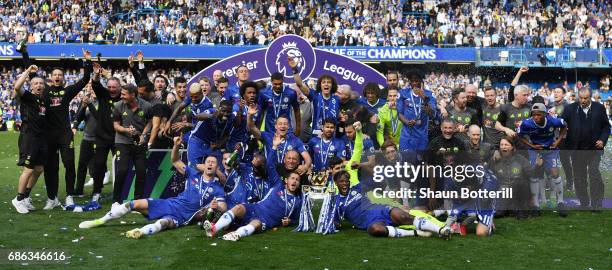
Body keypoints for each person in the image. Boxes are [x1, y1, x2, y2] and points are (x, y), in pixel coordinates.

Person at [79, 137, 227, 238]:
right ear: (204, 164)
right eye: (208, 161)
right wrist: (176, 145)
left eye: (213, 162)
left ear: (217, 167)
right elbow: (175, 160)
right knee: (133, 204)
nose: (210, 164)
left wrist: (215, 207)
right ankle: (99, 221)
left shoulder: (218, 189)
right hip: (170, 203)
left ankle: (140, 232)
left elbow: (223, 207)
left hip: (183, 216)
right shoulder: (193, 173)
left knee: (163, 223)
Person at [329, 170, 451, 238]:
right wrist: (335, 223)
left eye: (346, 181)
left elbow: (379, 181)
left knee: (404, 216)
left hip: (381, 210)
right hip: (369, 222)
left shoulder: (358, 188)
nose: (344, 184)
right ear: (336, 183)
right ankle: (415, 233)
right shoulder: (335, 202)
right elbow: (334, 222)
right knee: (375, 230)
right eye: (341, 182)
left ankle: (441, 230)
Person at [43, 49, 93, 209]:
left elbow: (85, 79)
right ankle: (52, 198)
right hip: (49, 135)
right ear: (51, 78)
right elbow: (31, 78)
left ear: (63, 78)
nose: (57, 76)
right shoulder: (44, 91)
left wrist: (87, 62)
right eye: (55, 74)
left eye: (60, 75)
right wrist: (24, 54)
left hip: (65, 134)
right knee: (50, 167)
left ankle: (70, 196)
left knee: (69, 164)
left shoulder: (67, 91)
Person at [202, 171, 302, 241]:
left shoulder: (297, 201)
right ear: (286, 180)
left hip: (266, 220)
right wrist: (274, 147)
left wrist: (290, 222)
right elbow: (271, 163)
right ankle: (213, 229)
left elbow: (296, 220)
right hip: (256, 208)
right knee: (239, 208)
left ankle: (235, 234)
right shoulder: (277, 185)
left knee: (256, 223)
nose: (294, 181)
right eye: (292, 178)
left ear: (299, 184)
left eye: (297, 180)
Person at [560, 89, 610, 211]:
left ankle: (597, 204)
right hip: (576, 150)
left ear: (590, 97)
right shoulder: (569, 108)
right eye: (581, 98)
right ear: (578, 97)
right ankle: (584, 202)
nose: (583, 101)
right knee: (579, 177)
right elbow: (561, 124)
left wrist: (602, 140)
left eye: (586, 98)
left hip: (594, 149)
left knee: (594, 174)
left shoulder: (599, 108)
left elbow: (606, 126)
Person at [518, 103, 568, 217]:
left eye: (539, 115)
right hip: (535, 150)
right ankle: (536, 205)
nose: (536, 117)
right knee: (533, 174)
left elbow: (565, 125)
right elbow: (519, 135)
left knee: (555, 173)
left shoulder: (553, 121)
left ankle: (560, 202)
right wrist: (531, 145)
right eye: (534, 114)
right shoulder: (526, 123)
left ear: (545, 114)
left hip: (550, 150)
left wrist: (558, 141)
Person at [11, 65, 47, 214]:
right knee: (28, 169)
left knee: (39, 169)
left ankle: (25, 196)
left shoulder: (43, 101)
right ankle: (18, 199)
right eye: (36, 83)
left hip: (40, 138)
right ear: (31, 86)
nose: (39, 85)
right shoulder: (27, 96)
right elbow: (17, 86)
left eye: (41, 83)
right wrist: (27, 72)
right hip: (29, 137)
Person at [112, 84, 152, 203]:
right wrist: (126, 130)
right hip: (122, 142)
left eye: (124, 94)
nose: (121, 96)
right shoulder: (118, 105)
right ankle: (116, 201)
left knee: (141, 171)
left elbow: (150, 122)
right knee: (122, 170)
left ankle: (138, 201)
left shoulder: (147, 106)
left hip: (139, 143)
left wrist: (144, 135)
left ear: (133, 95)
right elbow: (116, 125)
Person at [247, 104, 311, 176]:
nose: (283, 126)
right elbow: (251, 127)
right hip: (271, 173)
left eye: (285, 124)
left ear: (288, 127)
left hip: (288, 175)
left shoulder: (295, 140)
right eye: (280, 124)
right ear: (276, 126)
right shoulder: (267, 136)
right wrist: (250, 115)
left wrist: (305, 166)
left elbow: (307, 157)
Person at [90, 64, 122, 202]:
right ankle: (96, 192)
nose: (111, 90)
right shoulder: (103, 94)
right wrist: (97, 73)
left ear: (120, 87)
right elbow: (95, 83)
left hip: (119, 137)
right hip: (102, 137)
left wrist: (109, 76)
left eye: (114, 87)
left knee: (121, 166)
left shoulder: (125, 96)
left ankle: (120, 192)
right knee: (98, 165)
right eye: (109, 87)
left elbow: (135, 90)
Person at [291, 57, 339, 136]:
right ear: (320, 85)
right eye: (323, 82)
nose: (326, 84)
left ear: (332, 85)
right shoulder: (315, 96)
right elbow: (300, 84)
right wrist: (294, 69)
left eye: (329, 82)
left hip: (332, 137)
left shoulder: (337, 99)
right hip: (317, 136)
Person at [490, 137, 533, 219]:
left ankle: (522, 210)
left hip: (517, 190)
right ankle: (506, 208)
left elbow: (531, 174)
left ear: (512, 147)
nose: (503, 147)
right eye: (501, 145)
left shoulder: (520, 159)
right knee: (499, 213)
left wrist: (538, 166)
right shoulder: (495, 159)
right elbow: (489, 175)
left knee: (522, 182)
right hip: (502, 191)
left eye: (506, 145)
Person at [72, 85, 97, 197]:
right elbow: (79, 117)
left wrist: (90, 103)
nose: (91, 91)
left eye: (93, 89)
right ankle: (79, 190)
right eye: (90, 89)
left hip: (99, 139)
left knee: (97, 166)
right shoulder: (85, 102)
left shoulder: (102, 102)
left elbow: (98, 116)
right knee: (82, 165)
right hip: (87, 138)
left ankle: (96, 191)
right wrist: (83, 106)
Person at [257, 72, 301, 136]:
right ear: (271, 82)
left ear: (283, 81)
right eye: (275, 84)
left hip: (286, 130)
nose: (278, 86)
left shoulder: (291, 93)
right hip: (270, 130)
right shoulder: (264, 93)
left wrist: (298, 128)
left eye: (280, 84)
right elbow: (261, 112)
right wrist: (257, 129)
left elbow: (297, 110)